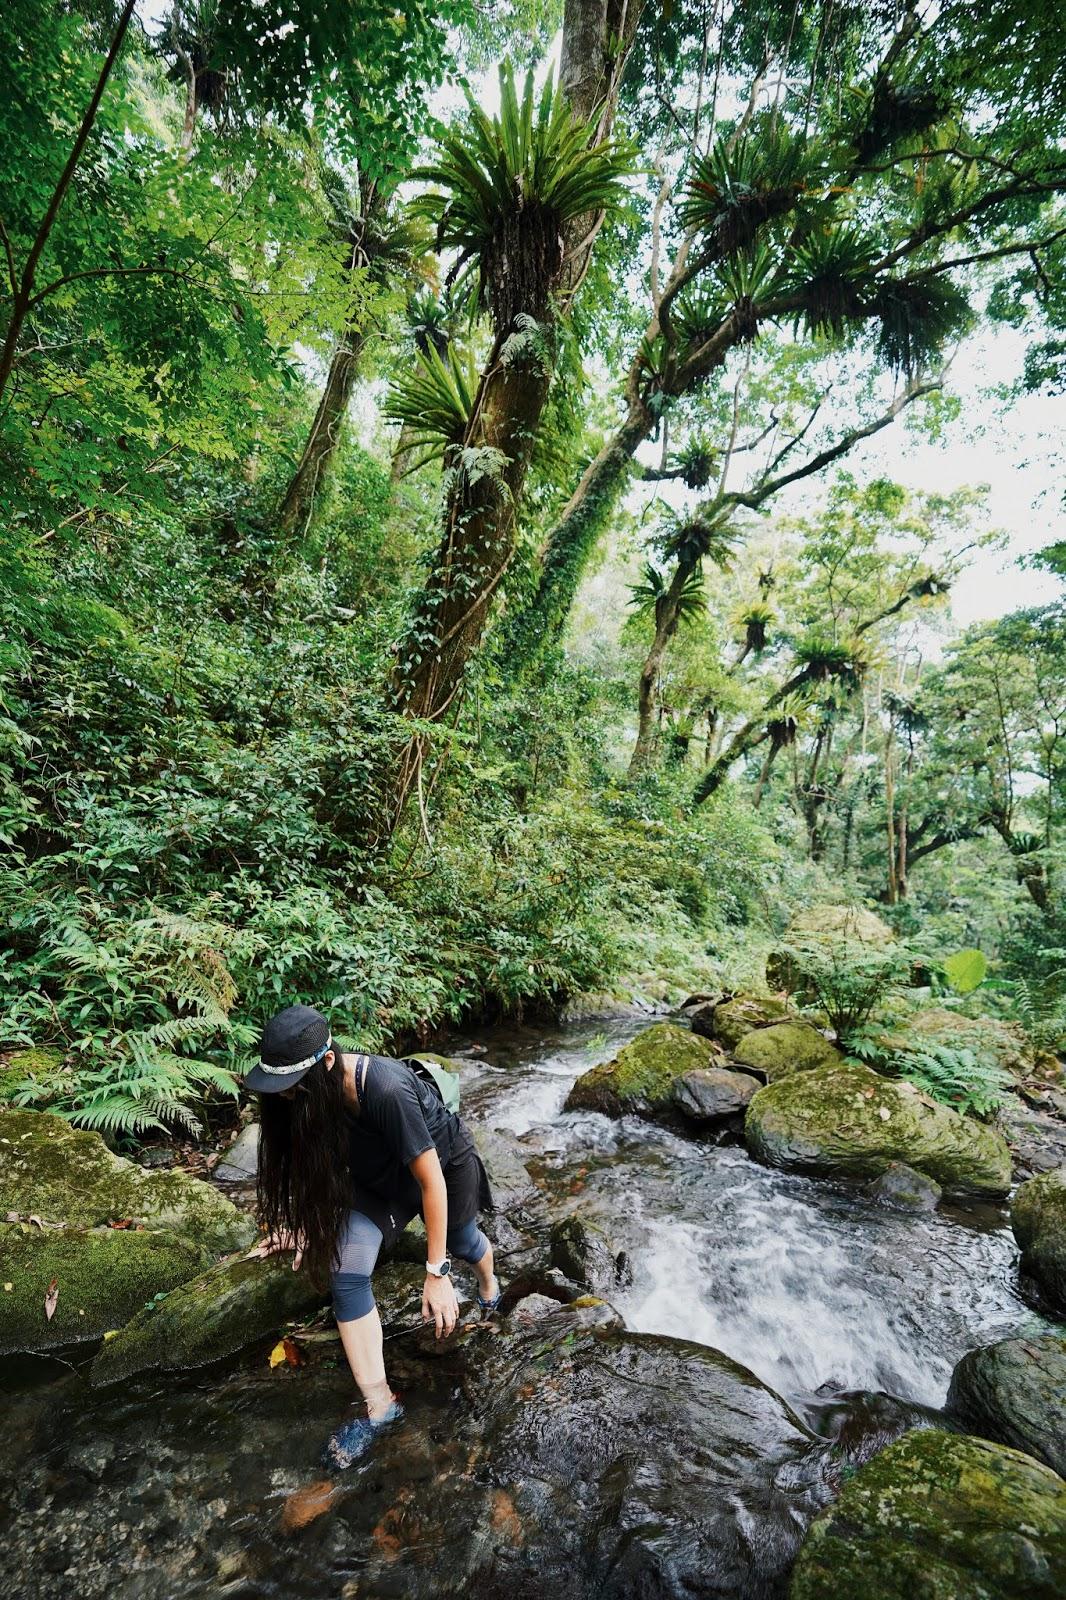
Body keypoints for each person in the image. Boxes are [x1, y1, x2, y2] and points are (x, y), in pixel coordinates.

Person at [245, 1003, 500, 1466]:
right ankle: (381, 1406)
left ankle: (490, 1285)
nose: (284, 1098)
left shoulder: (385, 1089)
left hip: (442, 1167)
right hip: (380, 1183)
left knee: (461, 1243)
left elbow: (431, 1183)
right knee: (346, 1271)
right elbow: (314, 1170)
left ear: (326, 1062)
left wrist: (437, 1271)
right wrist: (305, 1229)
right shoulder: (309, 1098)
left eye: (291, 1088)